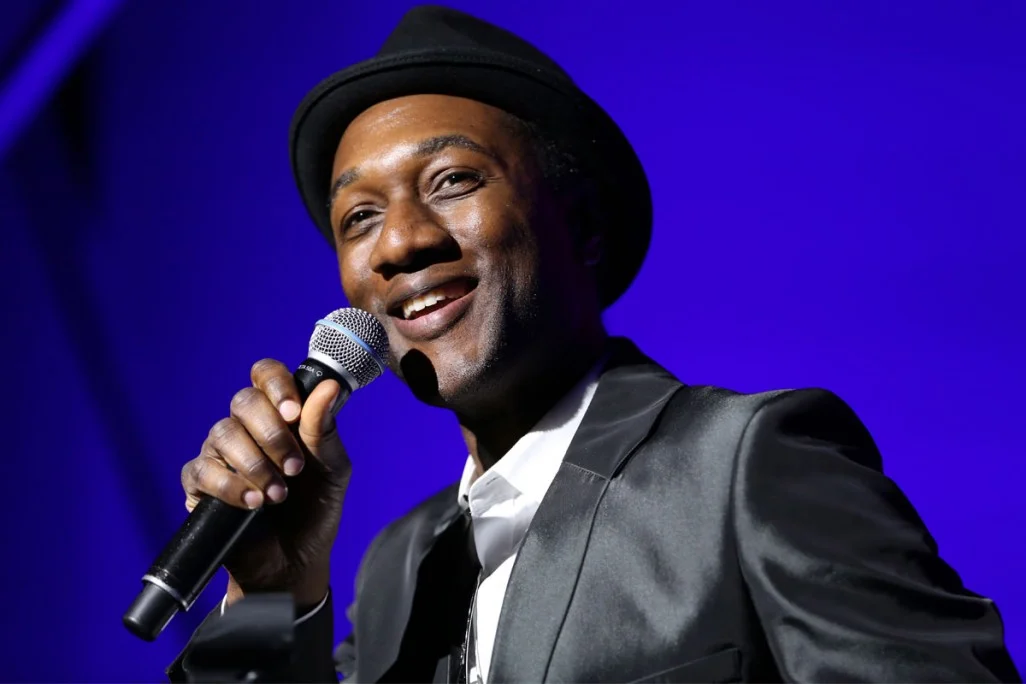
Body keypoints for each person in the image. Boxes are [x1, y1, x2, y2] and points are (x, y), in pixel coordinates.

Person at [168, 6, 1019, 683]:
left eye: (453, 180)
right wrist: (268, 595)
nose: (399, 242)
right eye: (359, 217)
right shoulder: (399, 566)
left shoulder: (743, 467)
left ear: (581, 226)